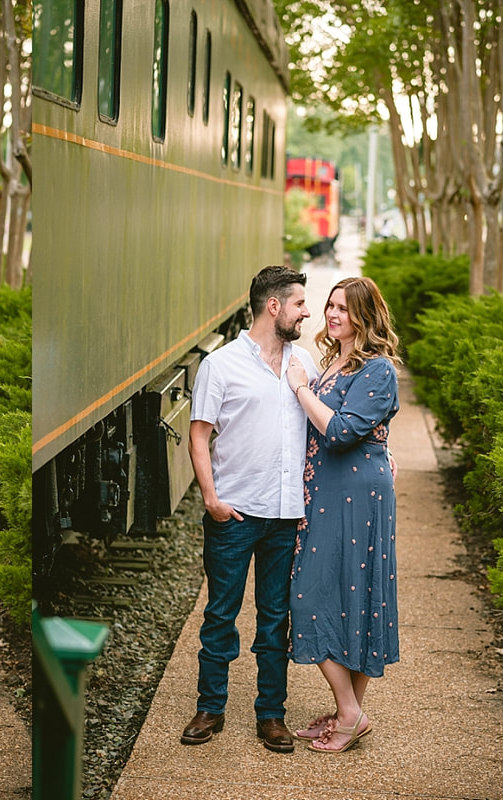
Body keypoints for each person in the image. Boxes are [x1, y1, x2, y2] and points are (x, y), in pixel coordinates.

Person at [181, 265, 318, 754]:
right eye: (300, 303)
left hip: (286, 517)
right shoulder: (221, 365)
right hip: (235, 516)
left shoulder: (305, 364)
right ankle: (209, 707)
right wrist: (212, 500)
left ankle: (271, 715)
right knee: (221, 614)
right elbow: (199, 434)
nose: (308, 311)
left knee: (274, 619)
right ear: (274, 306)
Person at [285, 276, 401, 753]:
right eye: (330, 306)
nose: (334, 315)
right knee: (340, 594)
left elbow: (339, 432)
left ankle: (351, 713)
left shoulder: (378, 369)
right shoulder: (337, 362)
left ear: (365, 316)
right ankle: (348, 712)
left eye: (345, 309)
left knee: (314, 596)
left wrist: (300, 389)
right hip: (329, 490)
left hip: (357, 495)